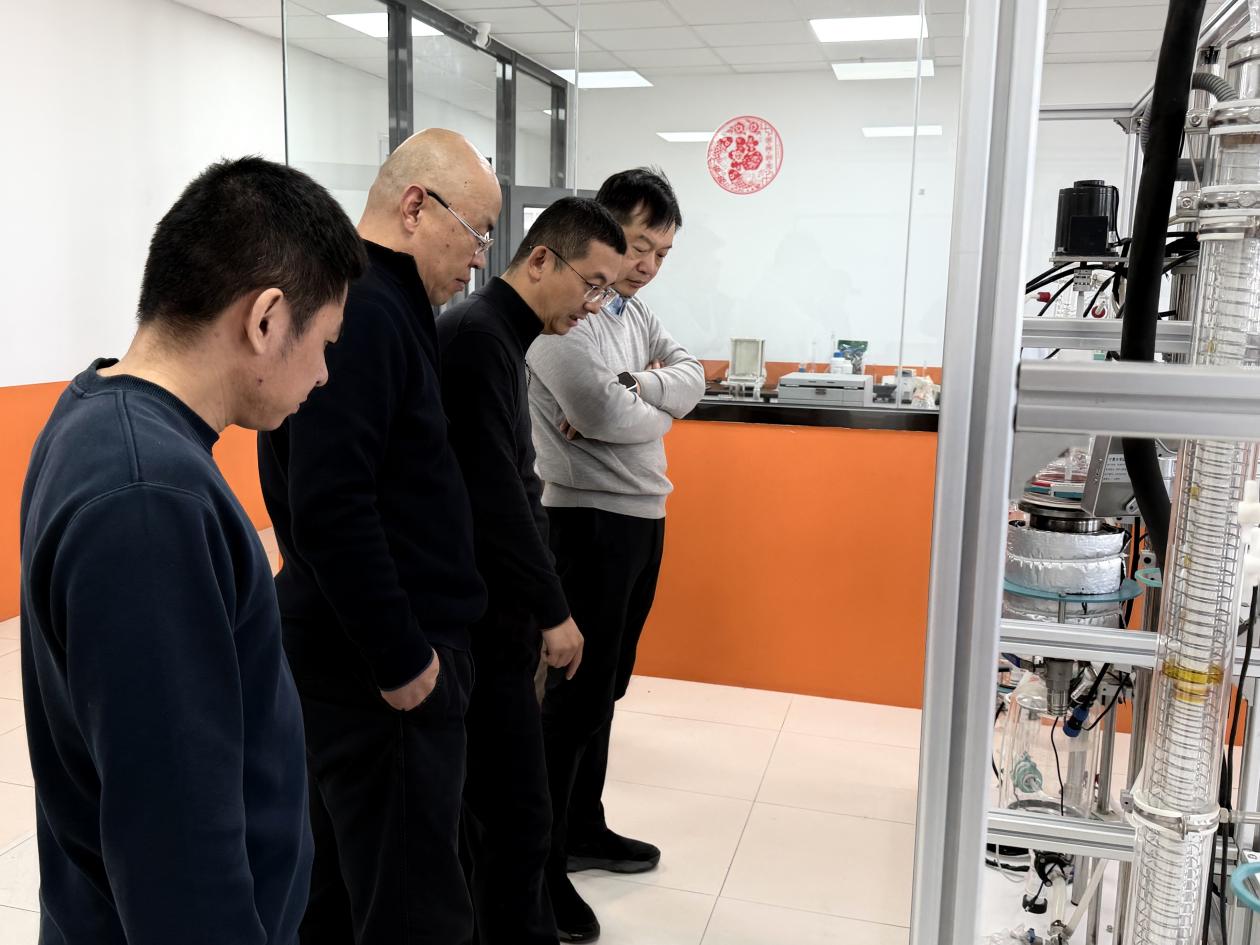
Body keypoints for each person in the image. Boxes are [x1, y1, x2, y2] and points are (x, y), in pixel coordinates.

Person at [18, 157, 365, 944]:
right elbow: (175, 843)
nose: (323, 374)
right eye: (325, 342)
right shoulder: (149, 498)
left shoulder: (95, 415)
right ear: (266, 318)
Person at [257, 129, 500, 945]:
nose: (479, 259)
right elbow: (330, 504)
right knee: (412, 906)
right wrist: (401, 658)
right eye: (476, 232)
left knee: (345, 886)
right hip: (381, 667)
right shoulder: (363, 312)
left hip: (364, 649)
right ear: (415, 206)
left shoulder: (379, 303)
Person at [436, 197, 627, 945]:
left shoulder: (496, 335)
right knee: (518, 816)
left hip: (497, 611)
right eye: (592, 284)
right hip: (484, 617)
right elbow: (496, 496)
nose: (594, 305)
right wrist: (554, 610)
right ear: (542, 259)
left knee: (505, 816)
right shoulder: (478, 337)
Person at [527, 168, 704, 941]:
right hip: (585, 522)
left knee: (605, 690)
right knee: (569, 702)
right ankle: (539, 865)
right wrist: (645, 401)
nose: (647, 266)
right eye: (638, 246)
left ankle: (582, 825)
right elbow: (600, 412)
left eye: (662, 253)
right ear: (598, 232)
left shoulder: (633, 310)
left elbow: (692, 375)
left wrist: (638, 387)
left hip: (640, 517)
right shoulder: (564, 318)